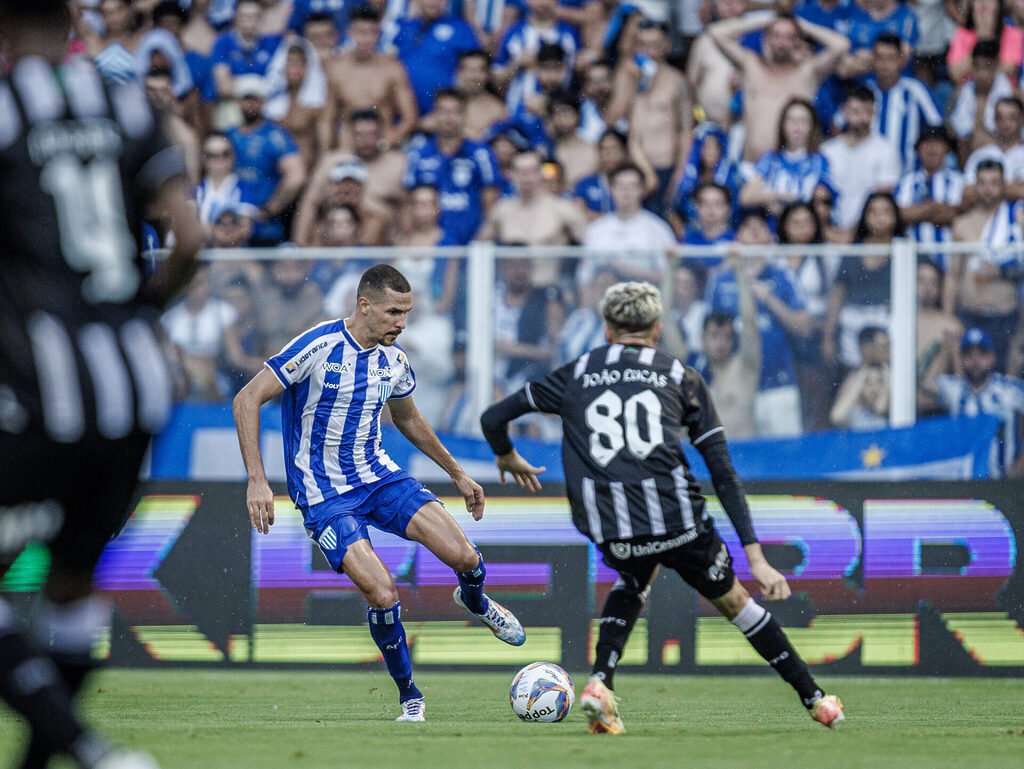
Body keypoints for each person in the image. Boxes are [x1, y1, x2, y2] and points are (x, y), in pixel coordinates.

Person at [478, 281, 844, 735]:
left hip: (606, 523)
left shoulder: (577, 372)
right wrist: (757, 558)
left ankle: (599, 682)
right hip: (677, 521)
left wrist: (505, 454)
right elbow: (723, 472)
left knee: (634, 576)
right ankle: (816, 699)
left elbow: (493, 417)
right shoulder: (681, 376)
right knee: (735, 601)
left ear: (608, 329)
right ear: (656, 330)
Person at [0, 0, 204, 766]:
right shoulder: (126, 103)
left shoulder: (7, 111)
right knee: (71, 589)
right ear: (74, 22)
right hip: (137, 385)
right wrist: (131, 314)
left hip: (40, 389)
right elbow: (188, 236)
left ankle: (89, 750)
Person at [232, 264, 525, 722]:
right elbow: (246, 399)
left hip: (381, 479)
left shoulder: (394, 359)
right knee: (383, 593)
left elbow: (408, 419)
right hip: (325, 495)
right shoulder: (317, 346)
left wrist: (459, 474)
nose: (401, 323)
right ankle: (410, 695)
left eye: (406, 313)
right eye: (393, 312)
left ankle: (475, 600)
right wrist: (257, 479)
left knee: (466, 558)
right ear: (364, 305)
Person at [707, 12, 849, 162]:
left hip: (793, 168)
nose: (781, 42)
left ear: (797, 41)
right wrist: (764, 21)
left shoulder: (807, 73)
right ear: (766, 38)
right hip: (751, 167)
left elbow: (841, 45)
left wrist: (802, 24)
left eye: (789, 37)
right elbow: (716, 32)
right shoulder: (752, 66)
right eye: (776, 35)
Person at [949, 159, 1024, 369]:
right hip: (969, 314)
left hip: (1006, 317)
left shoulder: (1017, 221)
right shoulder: (962, 224)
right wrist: (948, 317)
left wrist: (1001, 272)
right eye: (982, 183)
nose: (988, 189)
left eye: (994, 183)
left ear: (1003, 185)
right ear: (975, 186)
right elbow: (953, 275)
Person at [403, 88, 502, 245]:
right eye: (443, 111)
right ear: (434, 115)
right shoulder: (419, 154)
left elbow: (491, 203)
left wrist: (481, 241)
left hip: (471, 244)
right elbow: (408, 204)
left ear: (464, 116)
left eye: (455, 112)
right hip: (431, 248)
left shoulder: (481, 153)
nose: (449, 118)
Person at [920, 328, 1024, 477]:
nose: (975, 360)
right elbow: (923, 382)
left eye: (982, 353)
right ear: (960, 359)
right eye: (969, 354)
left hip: (1004, 484)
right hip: (966, 484)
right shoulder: (955, 390)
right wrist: (939, 346)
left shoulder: (1008, 390)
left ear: (992, 357)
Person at [319, 6, 418, 152]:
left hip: (383, 146)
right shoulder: (336, 69)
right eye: (360, 32)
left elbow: (410, 118)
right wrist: (327, 152)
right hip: (347, 147)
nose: (365, 38)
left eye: (371, 32)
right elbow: (326, 119)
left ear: (378, 34)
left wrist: (386, 144)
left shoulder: (392, 68)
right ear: (350, 32)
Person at [226, 75, 307, 245]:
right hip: (229, 225)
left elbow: (296, 176)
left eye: (255, 99)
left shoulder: (275, 136)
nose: (250, 104)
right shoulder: (228, 135)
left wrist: (269, 210)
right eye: (246, 98)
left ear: (263, 102)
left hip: (266, 228)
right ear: (237, 101)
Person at [820, 85, 901, 229]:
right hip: (830, 232)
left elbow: (883, 199)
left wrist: (854, 233)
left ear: (874, 113)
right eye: (855, 112)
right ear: (844, 112)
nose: (861, 118)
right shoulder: (827, 150)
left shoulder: (886, 149)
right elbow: (821, 198)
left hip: (869, 233)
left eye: (867, 112)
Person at [863, 33, 943, 174]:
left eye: (891, 58)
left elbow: (937, 126)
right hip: (869, 177)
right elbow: (839, 124)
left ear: (901, 60)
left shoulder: (916, 90)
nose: (885, 64)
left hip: (908, 177)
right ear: (873, 59)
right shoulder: (864, 91)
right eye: (880, 58)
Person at [739, 97, 833, 217]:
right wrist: (778, 196)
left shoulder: (820, 161)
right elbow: (746, 197)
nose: (797, 127)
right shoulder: (770, 158)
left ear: (812, 126)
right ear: (782, 125)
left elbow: (823, 202)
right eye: (791, 120)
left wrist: (769, 200)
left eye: (803, 121)